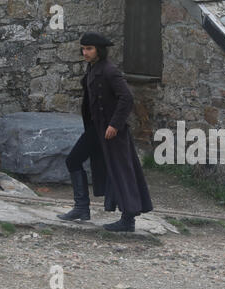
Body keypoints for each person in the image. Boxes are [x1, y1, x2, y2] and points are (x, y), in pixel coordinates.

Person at [57, 32, 153, 232]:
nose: (85, 52)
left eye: (89, 49)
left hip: (112, 132)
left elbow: (126, 98)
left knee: (122, 172)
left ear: (99, 50)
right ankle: (81, 208)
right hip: (96, 129)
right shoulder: (92, 68)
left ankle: (128, 221)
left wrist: (115, 125)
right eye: (83, 48)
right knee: (73, 160)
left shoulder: (110, 71)